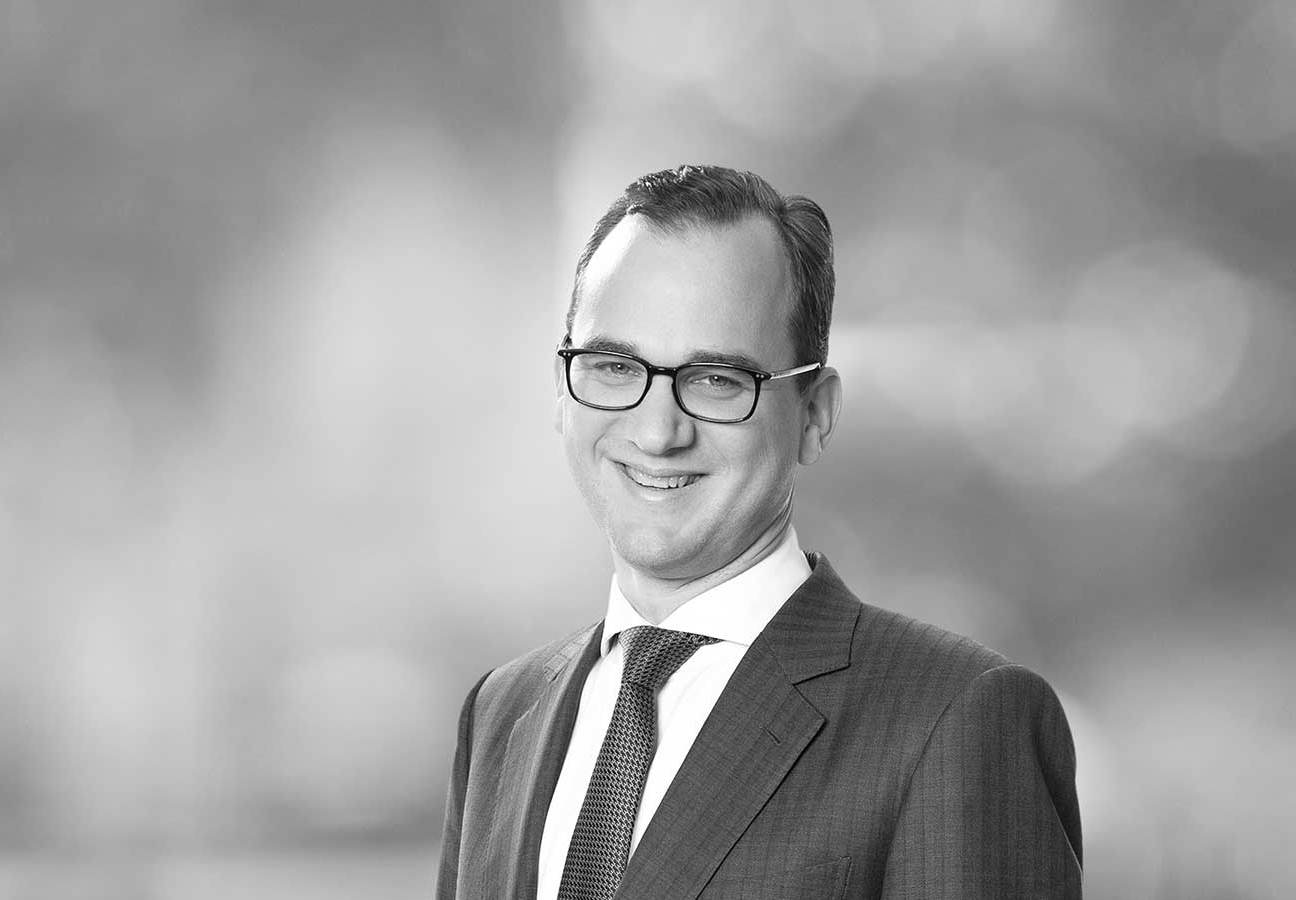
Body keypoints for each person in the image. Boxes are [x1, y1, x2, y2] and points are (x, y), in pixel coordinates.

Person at [436, 164, 1082, 900]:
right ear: (562, 387)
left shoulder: (957, 719)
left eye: (717, 380)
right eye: (614, 366)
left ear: (814, 414)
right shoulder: (501, 715)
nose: (657, 432)